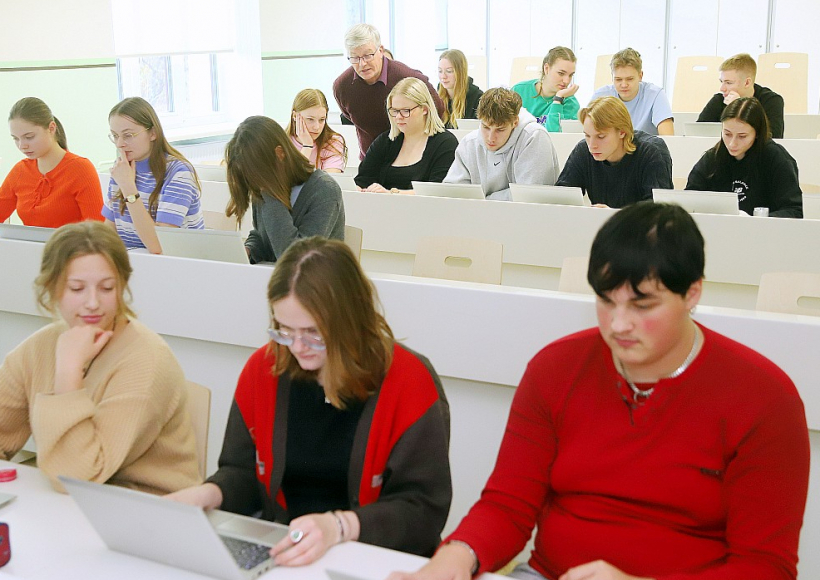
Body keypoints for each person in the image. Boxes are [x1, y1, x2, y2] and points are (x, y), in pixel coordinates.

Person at [388, 201, 810, 580]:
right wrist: (455, 559)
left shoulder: (764, 398)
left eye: (642, 306)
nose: (618, 324)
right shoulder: (555, 370)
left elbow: (765, 566)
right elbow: (508, 505)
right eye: (606, 301)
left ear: (692, 292)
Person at [167, 236, 452, 566]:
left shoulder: (409, 381)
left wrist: (339, 526)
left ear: (351, 321)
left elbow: (424, 510)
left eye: (313, 332)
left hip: (378, 562)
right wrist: (207, 494)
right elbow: (241, 472)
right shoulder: (264, 369)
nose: (297, 346)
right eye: (284, 330)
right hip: (288, 555)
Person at [0, 221, 201, 494]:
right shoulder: (40, 346)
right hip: (67, 509)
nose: (93, 302)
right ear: (52, 286)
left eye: (107, 288)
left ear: (121, 287)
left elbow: (77, 478)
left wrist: (68, 373)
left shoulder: (147, 361)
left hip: (145, 515)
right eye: (77, 288)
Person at [225, 116, 344, 264]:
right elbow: (263, 236)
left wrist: (270, 194)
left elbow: (295, 259)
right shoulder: (264, 186)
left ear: (280, 154)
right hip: (273, 280)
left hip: (316, 283)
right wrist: (248, 249)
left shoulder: (324, 191)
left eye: (256, 174)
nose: (256, 183)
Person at [103, 97, 204, 253]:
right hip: (134, 264)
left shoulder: (178, 172)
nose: (119, 144)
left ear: (153, 133)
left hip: (175, 266)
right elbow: (107, 235)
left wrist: (129, 188)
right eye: (115, 136)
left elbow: (159, 246)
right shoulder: (122, 169)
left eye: (128, 135)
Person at [333, 23, 445, 160]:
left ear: (380, 50)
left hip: (411, 159)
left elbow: (437, 110)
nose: (362, 64)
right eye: (354, 58)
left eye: (367, 55)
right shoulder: (342, 86)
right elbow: (350, 118)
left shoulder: (408, 77)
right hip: (371, 161)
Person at [686, 97, 802, 218]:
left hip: (765, 233)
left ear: (757, 133)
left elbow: (795, 210)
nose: (732, 143)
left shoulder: (776, 158)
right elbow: (689, 201)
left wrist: (756, 220)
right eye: (727, 134)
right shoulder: (713, 158)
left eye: (742, 136)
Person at [1, 97, 103, 227]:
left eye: (29, 137)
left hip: (71, 247)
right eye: (16, 139)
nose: (22, 146)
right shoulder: (20, 170)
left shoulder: (80, 168)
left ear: (51, 128)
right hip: (29, 246)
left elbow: (97, 230)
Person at [444, 88, 559, 201]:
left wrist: (482, 200)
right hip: (477, 216)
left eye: (500, 130)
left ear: (515, 122)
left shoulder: (534, 137)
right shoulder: (469, 143)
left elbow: (529, 195)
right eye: (486, 127)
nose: (490, 138)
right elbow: (453, 193)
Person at [556, 96, 673, 207]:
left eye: (601, 136)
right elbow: (561, 196)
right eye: (587, 136)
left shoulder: (652, 152)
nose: (592, 145)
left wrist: (614, 215)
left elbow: (659, 208)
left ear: (622, 131)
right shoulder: (583, 150)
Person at [354, 78, 458, 194]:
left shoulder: (446, 143)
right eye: (394, 110)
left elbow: (436, 191)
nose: (398, 117)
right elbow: (362, 180)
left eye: (405, 110)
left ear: (424, 109)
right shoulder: (385, 141)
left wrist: (391, 194)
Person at [697, 53, 784, 139]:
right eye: (721, 82)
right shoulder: (719, 100)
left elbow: (774, 137)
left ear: (747, 83)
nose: (722, 88)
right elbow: (696, 133)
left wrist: (740, 107)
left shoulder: (771, 101)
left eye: (728, 83)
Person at [590, 48, 674, 136]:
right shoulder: (600, 96)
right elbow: (588, 134)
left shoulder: (655, 95)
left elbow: (668, 137)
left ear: (640, 76)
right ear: (612, 77)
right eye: (618, 79)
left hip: (646, 148)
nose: (624, 85)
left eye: (629, 79)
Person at [512, 46, 580, 132]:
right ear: (546, 68)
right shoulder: (519, 90)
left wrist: (558, 99)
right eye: (561, 73)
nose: (566, 81)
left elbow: (555, 137)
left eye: (571, 75)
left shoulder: (570, 103)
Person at [286, 89, 347, 173]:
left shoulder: (333, 142)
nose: (316, 127)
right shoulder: (281, 141)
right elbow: (291, 180)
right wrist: (307, 146)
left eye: (322, 120)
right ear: (294, 116)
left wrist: (307, 145)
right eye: (310, 119)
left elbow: (330, 183)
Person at [437, 49, 483, 129]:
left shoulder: (477, 97)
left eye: (449, 71)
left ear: (460, 72)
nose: (443, 76)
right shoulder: (437, 95)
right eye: (440, 71)